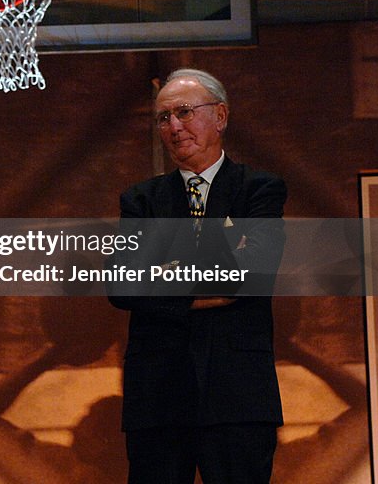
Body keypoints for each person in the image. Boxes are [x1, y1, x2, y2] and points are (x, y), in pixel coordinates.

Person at [107, 68, 287, 484]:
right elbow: (120, 285)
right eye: (164, 117)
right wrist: (211, 274)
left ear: (220, 116)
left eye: (185, 112)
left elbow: (252, 274)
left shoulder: (258, 190)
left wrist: (164, 275)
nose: (173, 127)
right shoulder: (141, 200)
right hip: (158, 397)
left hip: (237, 394)